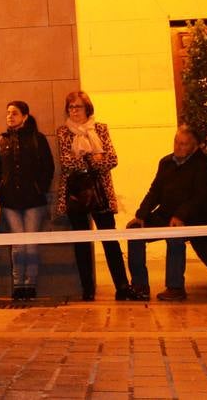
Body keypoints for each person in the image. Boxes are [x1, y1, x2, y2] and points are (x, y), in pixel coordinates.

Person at [55, 90, 131, 301]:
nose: (74, 111)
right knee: (82, 242)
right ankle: (87, 289)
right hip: (75, 193)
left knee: (110, 239)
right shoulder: (63, 132)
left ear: (87, 108)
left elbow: (112, 159)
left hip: (100, 191)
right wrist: (94, 158)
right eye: (70, 107)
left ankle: (122, 286)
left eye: (78, 107)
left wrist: (84, 158)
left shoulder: (100, 129)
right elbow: (67, 162)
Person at [126, 125, 207, 302]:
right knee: (134, 232)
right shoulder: (166, 163)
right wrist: (141, 215)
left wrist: (181, 215)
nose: (178, 147)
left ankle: (175, 287)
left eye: (183, 144)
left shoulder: (202, 166)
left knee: (175, 237)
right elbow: (155, 191)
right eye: (176, 142)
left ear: (194, 147)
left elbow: (200, 197)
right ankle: (140, 285)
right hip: (165, 214)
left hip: (190, 217)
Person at [0, 100, 53, 300]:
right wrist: (1, 187)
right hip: (10, 201)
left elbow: (48, 168)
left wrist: (39, 188)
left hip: (33, 200)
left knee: (30, 243)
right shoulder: (1, 140)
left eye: (14, 113)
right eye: (8, 113)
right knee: (17, 243)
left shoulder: (37, 138)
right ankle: (18, 284)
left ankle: (30, 284)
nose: (10, 116)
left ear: (24, 116)